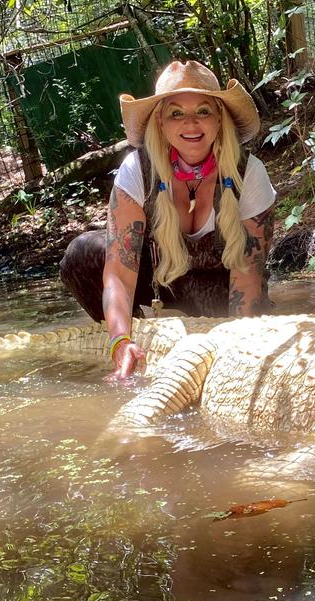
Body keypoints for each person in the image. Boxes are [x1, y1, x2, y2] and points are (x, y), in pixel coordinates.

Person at [59, 60, 277, 378]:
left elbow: (247, 278)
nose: (191, 123)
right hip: (163, 280)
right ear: (160, 122)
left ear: (219, 118)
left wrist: (239, 357)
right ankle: (134, 350)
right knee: (82, 253)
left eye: (203, 111)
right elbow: (118, 273)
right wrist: (120, 340)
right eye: (176, 113)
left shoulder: (251, 173)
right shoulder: (136, 170)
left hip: (219, 289)